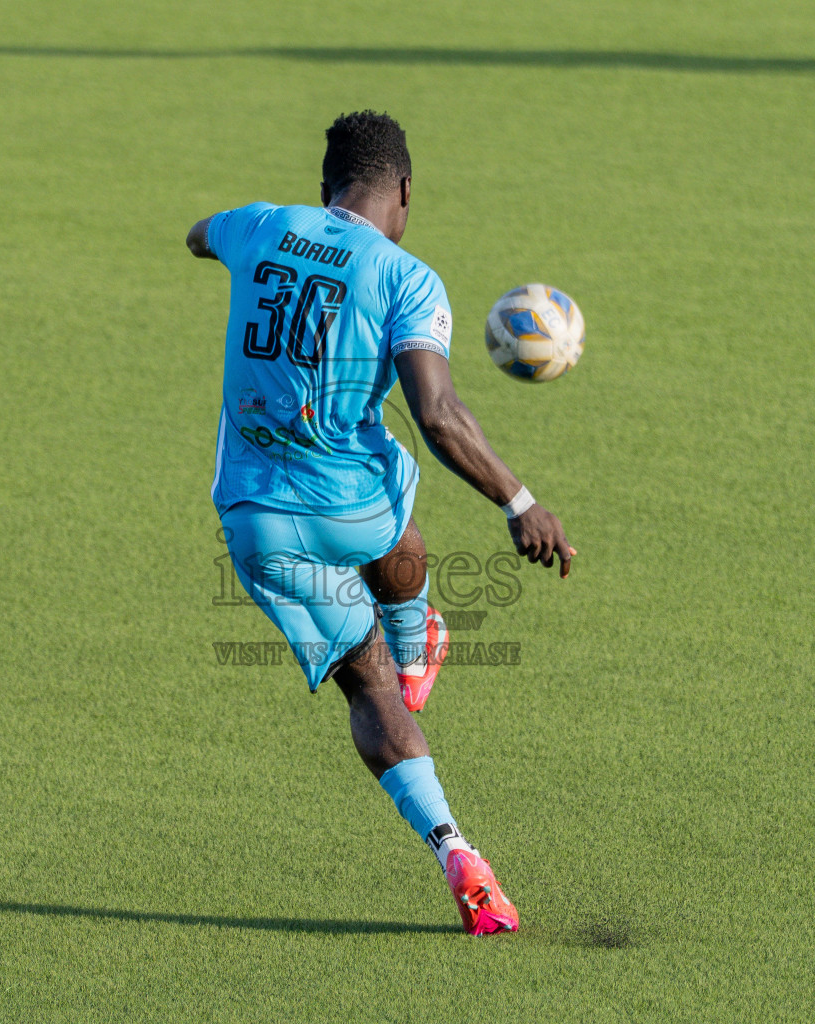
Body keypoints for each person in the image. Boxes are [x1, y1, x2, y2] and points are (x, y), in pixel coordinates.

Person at [186, 110, 574, 936]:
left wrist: (230, 245)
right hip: (352, 508)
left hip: (261, 526)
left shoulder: (260, 225)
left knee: (365, 691)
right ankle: (414, 632)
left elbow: (199, 234)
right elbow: (441, 416)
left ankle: (456, 850)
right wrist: (519, 502)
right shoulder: (405, 275)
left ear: (323, 187)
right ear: (402, 190)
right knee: (390, 469)